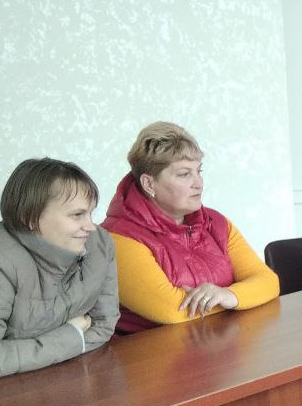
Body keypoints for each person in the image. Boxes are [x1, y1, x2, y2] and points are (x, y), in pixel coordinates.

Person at [102, 122, 279, 333]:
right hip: (150, 352)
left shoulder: (216, 223)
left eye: (198, 171)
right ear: (149, 184)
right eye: (184, 174)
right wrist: (243, 296)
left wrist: (229, 295)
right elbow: (172, 310)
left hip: (215, 342)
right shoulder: (117, 238)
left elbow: (269, 281)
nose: (199, 183)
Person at [0, 158, 119, 380]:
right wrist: (72, 335)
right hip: (6, 394)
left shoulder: (100, 244)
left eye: (91, 213)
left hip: (73, 378)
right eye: (77, 215)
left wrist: (22, 351)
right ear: (30, 218)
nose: (90, 227)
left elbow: (103, 327)